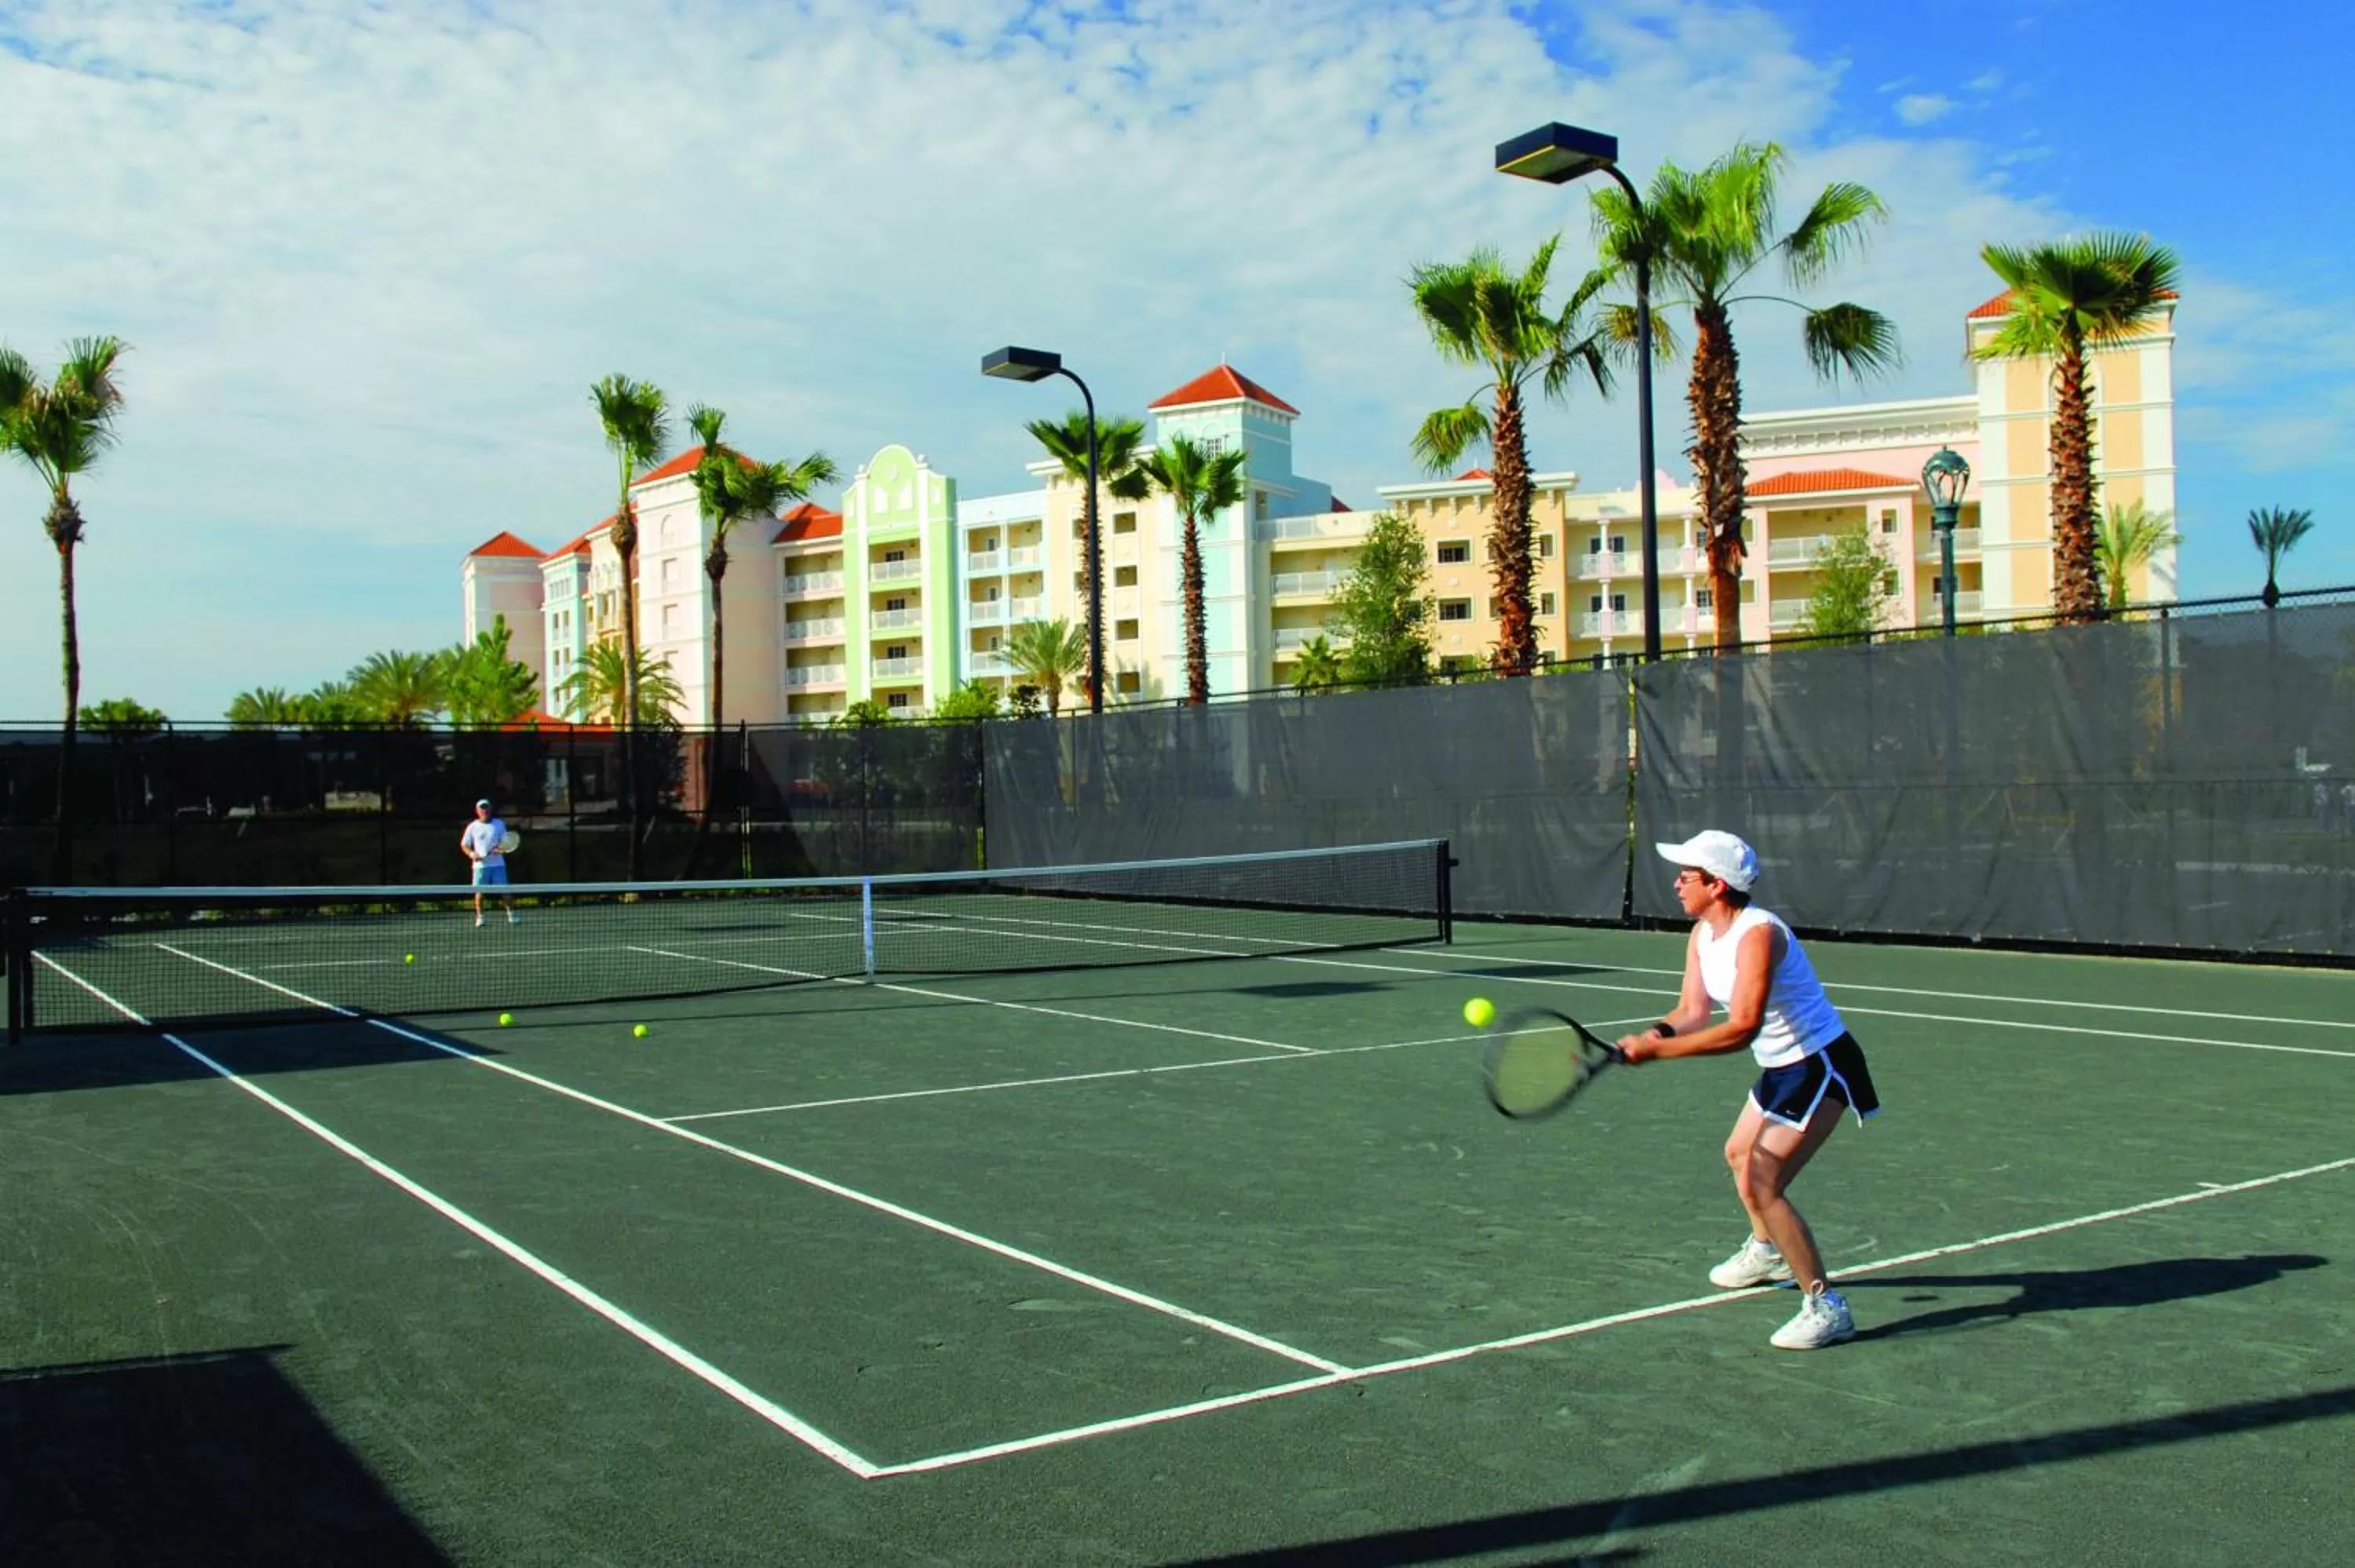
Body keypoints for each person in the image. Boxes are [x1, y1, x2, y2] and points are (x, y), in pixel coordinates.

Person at [1614, 830, 1879, 1351]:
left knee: (1762, 1179)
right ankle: (1767, 1249)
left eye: (1686, 876)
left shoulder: (1759, 934)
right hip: (1782, 1067)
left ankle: (1827, 1305)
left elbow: (1741, 1027)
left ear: (1716, 885)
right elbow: (1691, 1011)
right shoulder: (1701, 935)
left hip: (1820, 1063)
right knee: (1739, 1153)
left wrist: (1658, 1055)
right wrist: (1653, 1036)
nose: (1676, 883)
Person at [462, 797, 517, 928]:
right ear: (477, 810)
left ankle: (512, 915)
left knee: (505, 892)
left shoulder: (499, 824)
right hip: (480, 867)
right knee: (479, 893)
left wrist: (500, 849)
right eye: (482, 808)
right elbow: (464, 845)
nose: (484, 810)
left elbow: (506, 842)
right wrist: (472, 854)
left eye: (486, 807)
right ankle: (480, 918)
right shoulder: (472, 827)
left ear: (490, 809)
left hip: (498, 865)